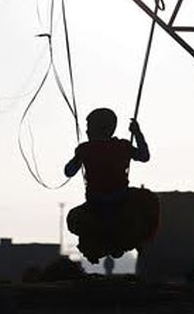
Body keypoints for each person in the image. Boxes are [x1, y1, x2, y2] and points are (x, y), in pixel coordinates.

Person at [65, 108, 156, 262]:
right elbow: (144, 156)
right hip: (117, 200)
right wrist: (138, 133)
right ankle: (121, 240)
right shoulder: (123, 146)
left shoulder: (86, 149)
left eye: (89, 127)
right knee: (148, 200)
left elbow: (68, 171)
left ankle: (106, 241)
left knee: (74, 219)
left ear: (99, 128)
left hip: (98, 203)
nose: (86, 130)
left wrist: (78, 157)